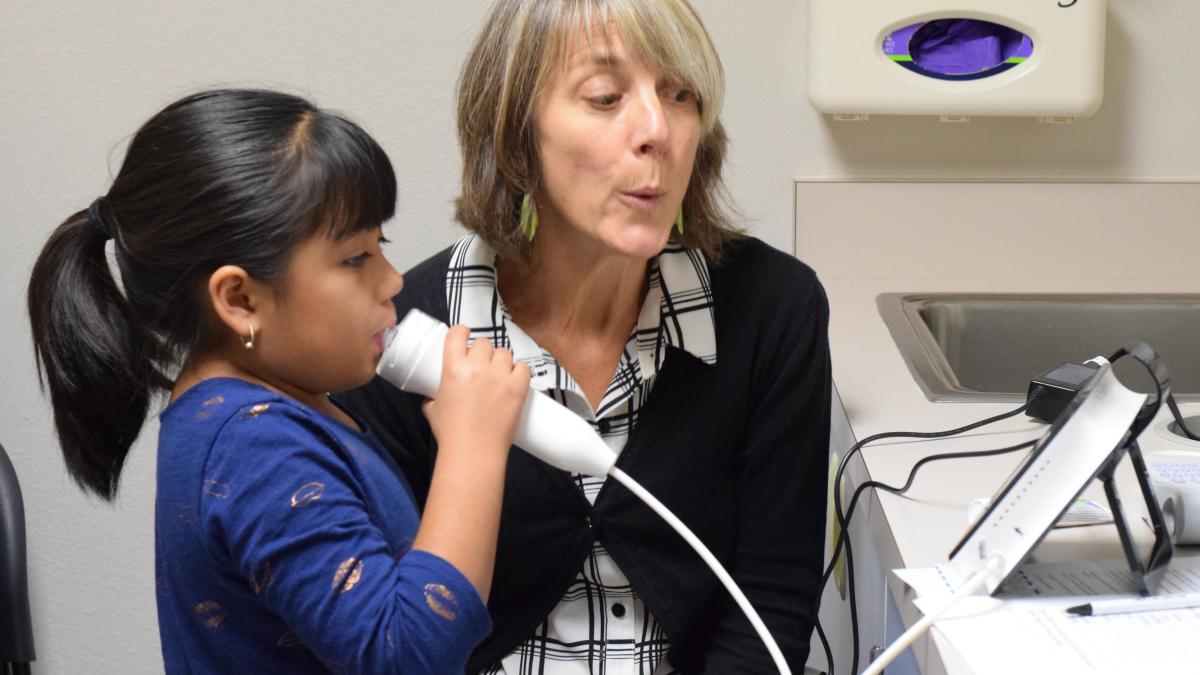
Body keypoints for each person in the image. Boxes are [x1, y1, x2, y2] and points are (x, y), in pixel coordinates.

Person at [338, 1, 832, 673]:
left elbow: (770, 605)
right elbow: (394, 634)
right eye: (605, 97)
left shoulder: (773, 311)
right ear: (517, 136)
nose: (657, 130)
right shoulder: (402, 342)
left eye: (680, 94)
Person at [27, 88, 531, 674]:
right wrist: (472, 448)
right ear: (240, 299)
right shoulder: (253, 446)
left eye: (380, 246)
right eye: (354, 259)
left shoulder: (268, 412)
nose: (393, 280)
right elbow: (404, 656)